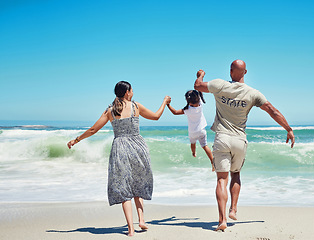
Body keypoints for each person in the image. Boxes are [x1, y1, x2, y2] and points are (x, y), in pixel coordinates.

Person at [194, 60, 295, 232]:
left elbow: (198, 87)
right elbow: (272, 110)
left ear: (231, 70)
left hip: (222, 138)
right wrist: (288, 129)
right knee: (236, 174)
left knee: (221, 179)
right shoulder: (252, 93)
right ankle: (233, 209)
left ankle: (222, 220)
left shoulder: (220, 85)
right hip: (239, 140)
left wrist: (200, 75)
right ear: (245, 72)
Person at [67, 81, 171, 237]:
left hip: (120, 147)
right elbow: (156, 117)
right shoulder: (136, 106)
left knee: (124, 189)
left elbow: (94, 129)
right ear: (127, 92)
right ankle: (141, 220)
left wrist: (77, 140)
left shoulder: (110, 110)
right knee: (138, 183)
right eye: (132, 89)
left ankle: (130, 229)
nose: (133, 91)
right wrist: (164, 102)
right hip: (137, 146)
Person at [167, 89, 214, 171]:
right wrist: (199, 78)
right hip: (201, 130)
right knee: (205, 146)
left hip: (192, 132)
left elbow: (174, 112)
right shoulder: (200, 105)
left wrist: (168, 105)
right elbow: (199, 92)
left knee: (193, 143)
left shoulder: (187, 110)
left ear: (188, 100)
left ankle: (194, 153)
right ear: (198, 98)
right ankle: (213, 162)